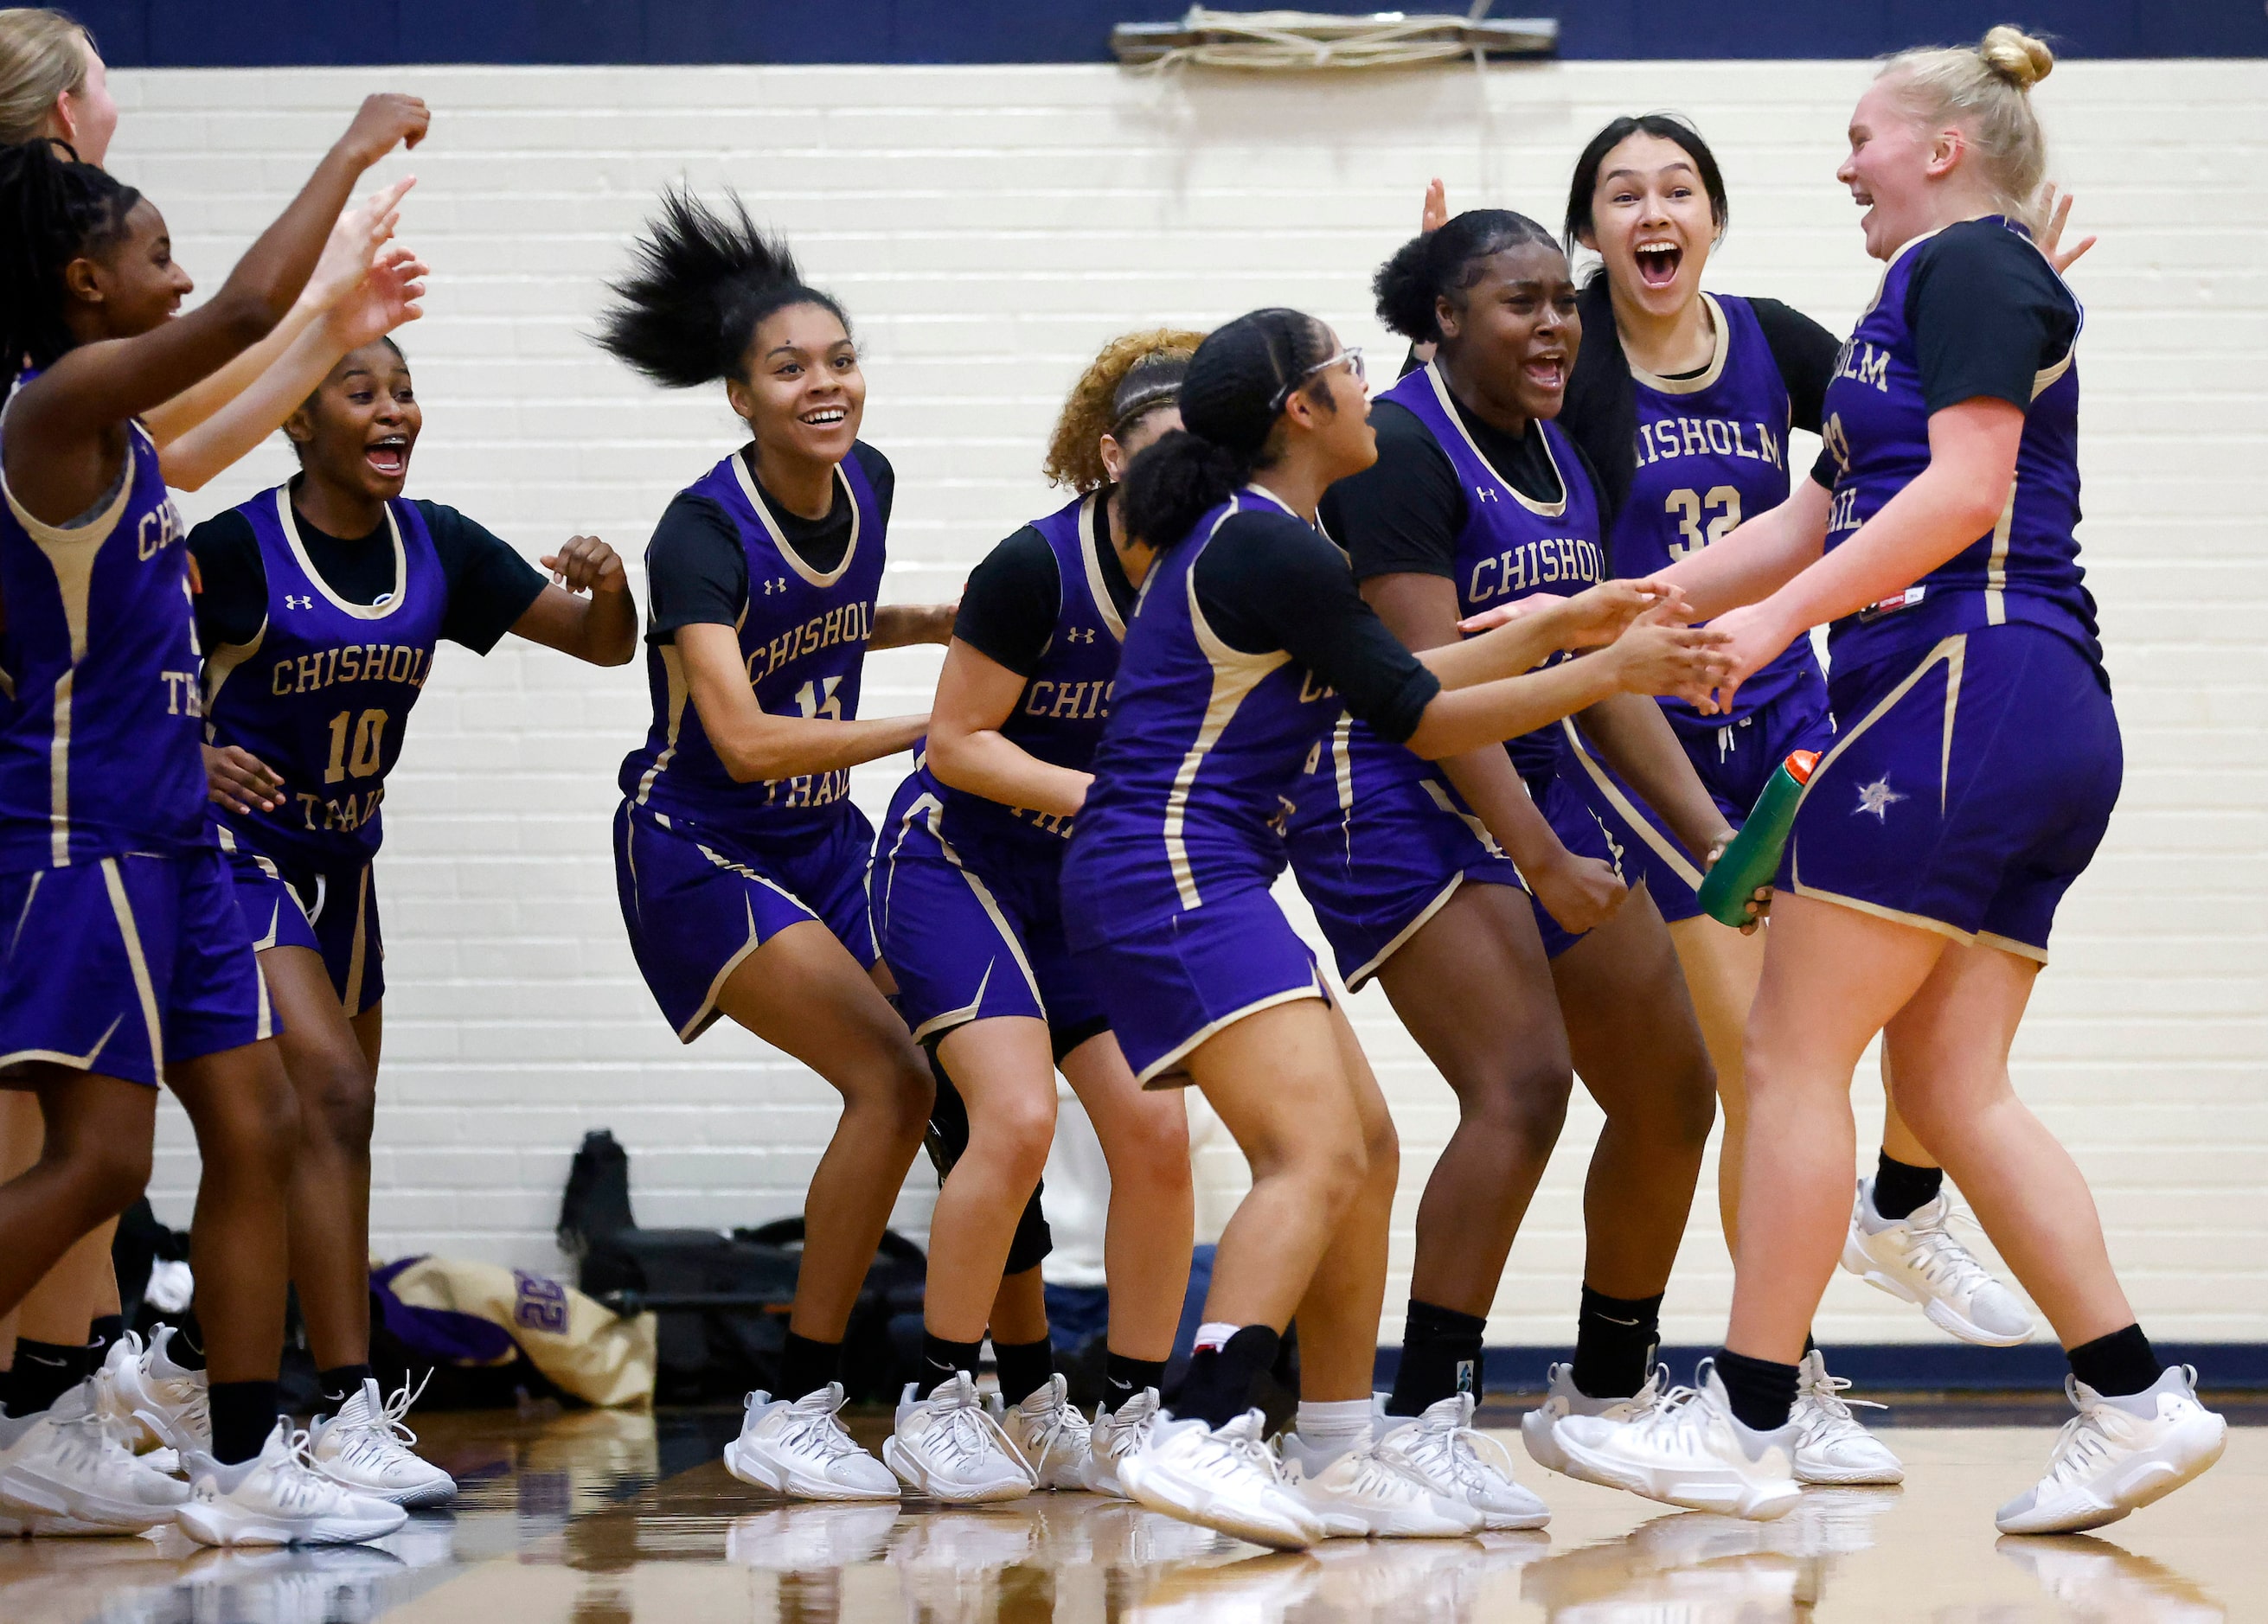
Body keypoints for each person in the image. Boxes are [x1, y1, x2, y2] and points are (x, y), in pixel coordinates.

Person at [1543, 26, 2226, 1533]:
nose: (1840, 161)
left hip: (1959, 680)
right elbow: (1810, 514)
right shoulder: (1948, 278)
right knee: (1944, 1082)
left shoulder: (1967, 265)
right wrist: (1609, 610)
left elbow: (1966, 489)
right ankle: (2129, 1397)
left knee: (1790, 1057)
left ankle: (1743, 1418)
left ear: (1936, 146)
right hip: (2026, 706)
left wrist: (1780, 624)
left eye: (1860, 135)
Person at [1059, 306, 1734, 1550]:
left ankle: (1335, 1442)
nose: (1371, 388)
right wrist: (1604, 671)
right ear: (1300, 413)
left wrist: (1564, 625)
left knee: (1362, 1147)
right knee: (1311, 1153)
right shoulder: (1272, 549)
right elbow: (1422, 721)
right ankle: (1199, 1425)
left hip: (1194, 871)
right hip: (1168, 869)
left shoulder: (1283, 538)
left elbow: (1408, 678)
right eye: (1347, 371)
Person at [0, 96, 429, 1546]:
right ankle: (32, 1416)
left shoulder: (114, 444)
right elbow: (244, 312)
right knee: (104, 1164)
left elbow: (230, 390)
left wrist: (329, 321)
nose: (179, 279)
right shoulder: (47, 416)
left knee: (253, 1127)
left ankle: (245, 1465)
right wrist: (355, 151)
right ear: (84, 286)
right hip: (82, 844)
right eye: (155, 255)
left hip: (176, 846)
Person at [1277, 208, 1733, 1517]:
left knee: (1670, 1085)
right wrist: (1537, 859)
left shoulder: (1559, 446)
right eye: (1516, 303)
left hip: (1517, 793)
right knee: (1522, 1085)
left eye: (1558, 302)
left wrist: (1709, 836)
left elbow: (1602, 674)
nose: (1550, 325)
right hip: (1388, 794)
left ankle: (1604, 1391)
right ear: (1443, 321)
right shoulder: (1402, 448)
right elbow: (1422, 693)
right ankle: (1418, 1417)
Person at [149, 335, 638, 1507]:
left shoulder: (442, 546)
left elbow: (601, 642)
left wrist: (609, 582)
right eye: (360, 389)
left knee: (341, 1134)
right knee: (331, 1092)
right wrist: (192, 752)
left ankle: (224, 1371)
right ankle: (324, 1408)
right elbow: (120, 677)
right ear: (296, 419)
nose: (393, 409)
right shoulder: (235, 549)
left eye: (405, 388)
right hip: (235, 857)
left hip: (345, 864)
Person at [596, 189, 952, 1499]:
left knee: (971, 1069)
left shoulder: (870, 477)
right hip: (701, 843)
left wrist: (944, 620)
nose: (825, 382)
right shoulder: (698, 529)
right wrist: (931, 723)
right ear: (739, 398)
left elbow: (827, 619)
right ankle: (792, 1403)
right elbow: (741, 737)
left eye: (840, 358)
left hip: (819, 836)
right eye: (790, 367)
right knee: (891, 1079)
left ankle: (998, 1389)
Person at [870, 332, 1201, 1502]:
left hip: (1088, 893)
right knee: (1012, 1116)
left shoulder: (1218, 580)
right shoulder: (1034, 568)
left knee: (1158, 1135)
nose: (1182, 478)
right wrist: (1107, 800)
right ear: (1106, 456)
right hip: (958, 866)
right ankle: (942, 1399)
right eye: (1160, 452)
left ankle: (1130, 1409)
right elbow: (956, 744)